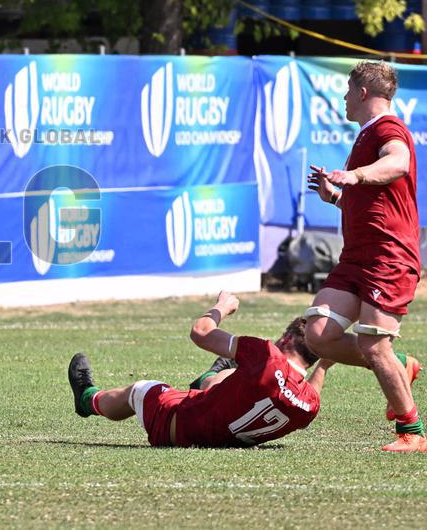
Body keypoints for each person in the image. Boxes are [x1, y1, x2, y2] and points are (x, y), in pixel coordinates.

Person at [304, 61, 425, 452]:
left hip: (388, 257)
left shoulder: (389, 130)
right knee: (319, 334)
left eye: (347, 90)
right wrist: (336, 196)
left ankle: (412, 432)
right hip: (356, 258)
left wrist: (353, 176)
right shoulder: (365, 135)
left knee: (373, 345)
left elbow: (398, 162)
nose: (342, 97)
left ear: (361, 93)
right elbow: (371, 208)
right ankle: (400, 363)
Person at [67, 291, 330, 448]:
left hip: (176, 424)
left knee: (140, 390)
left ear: (285, 339)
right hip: (220, 430)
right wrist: (327, 362)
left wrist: (223, 307)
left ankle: (88, 399)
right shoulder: (310, 405)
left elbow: (201, 332)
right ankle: (208, 377)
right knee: (227, 386)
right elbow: (313, 392)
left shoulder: (268, 355)